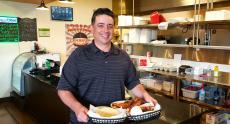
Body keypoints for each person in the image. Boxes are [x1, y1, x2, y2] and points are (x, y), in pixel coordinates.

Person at [57, 8, 157, 124]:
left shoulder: (123, 56)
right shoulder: (78, 55)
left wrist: (145, 95)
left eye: (110, 26)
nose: (106, 30)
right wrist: (77, 108)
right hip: (86, 121)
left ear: (114, 29)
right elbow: (63, 89)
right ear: (92, 28)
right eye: (100, 25)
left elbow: (133, 83)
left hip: (116, 120)